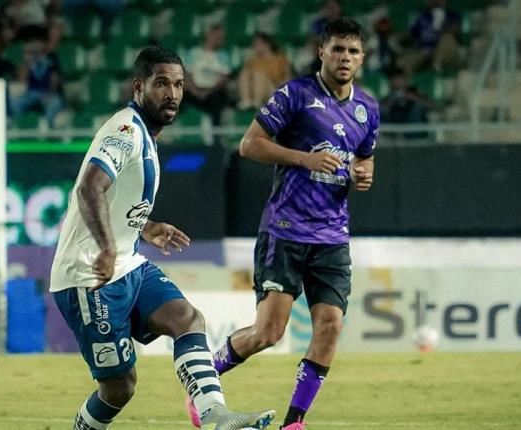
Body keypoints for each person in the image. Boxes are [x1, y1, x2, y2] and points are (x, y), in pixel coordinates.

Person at [49, 46, 275, 430]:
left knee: (187, 319)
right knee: (120, 388)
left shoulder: (144, 134)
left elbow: (115, 196)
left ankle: (215, 415)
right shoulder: (124, 130)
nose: (172, 94)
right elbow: (90, 188)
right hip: (88, 277)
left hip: (128, 263)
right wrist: (105, 246)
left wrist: (146, 226)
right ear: (139, 87)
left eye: (179, 84)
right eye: (161, 84)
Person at [186, 18, 378, 430]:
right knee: (268, 332)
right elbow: (248, 144)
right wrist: (305, 158)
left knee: (331, 324)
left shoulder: (367, 109)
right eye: (337, 49)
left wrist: (364, 174)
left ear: (362, 58)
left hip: (332, 235)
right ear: (322, 52)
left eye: (353, 51)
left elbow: (364, 158)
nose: (345, 58)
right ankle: (205, 382)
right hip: (286, 230)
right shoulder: (295, 95)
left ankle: (295, 422)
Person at [184, 23, 232, 126]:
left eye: (222, 37)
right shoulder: (194, 53)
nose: (220, 39)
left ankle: (215, 137)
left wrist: (208, 92)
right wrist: (195, 90)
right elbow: (187, 75)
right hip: (194, 90)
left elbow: (223, 79)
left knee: (219, 99)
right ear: (209, 35)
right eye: (217, 36)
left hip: (213, 92)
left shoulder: (224, 56)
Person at [237, 32, 292, 109]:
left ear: (267, 44)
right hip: (252, 89)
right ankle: (246, 101)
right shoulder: (252, 60)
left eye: (257, 44)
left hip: (272, 88)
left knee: (259, 75)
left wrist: (278, 83)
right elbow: (244, 78)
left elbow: (288, 80)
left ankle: (257, 101)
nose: (255, 47)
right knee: (245, 73)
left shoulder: (280, 59)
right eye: (254, 45)